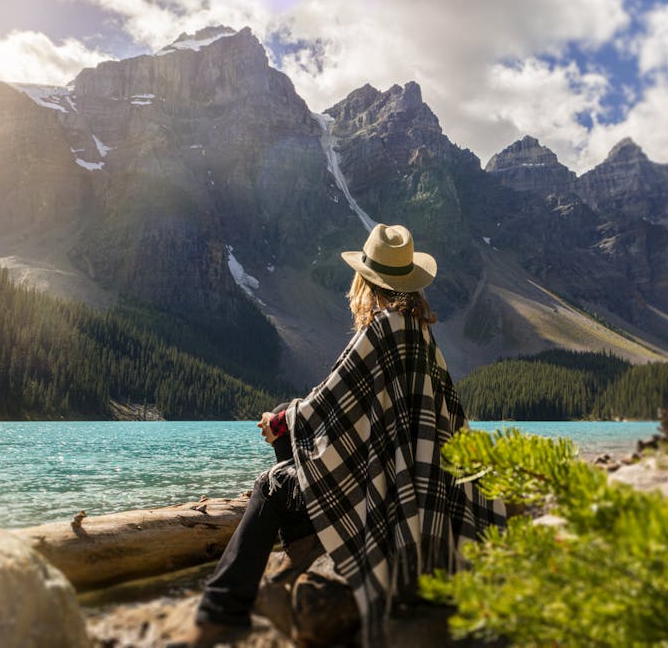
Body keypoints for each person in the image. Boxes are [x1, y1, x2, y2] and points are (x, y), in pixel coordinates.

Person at [173, 224, 506, 648]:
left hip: (383, 498)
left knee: (271, 484)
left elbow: (325, 405)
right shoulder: (421, 335)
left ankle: (222, 613)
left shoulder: (381, 331)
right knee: (288, 419)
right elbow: (364, 410)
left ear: (365, 282)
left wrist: (278, 423)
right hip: (425, 497)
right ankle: (304, 548)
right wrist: (288, 416)